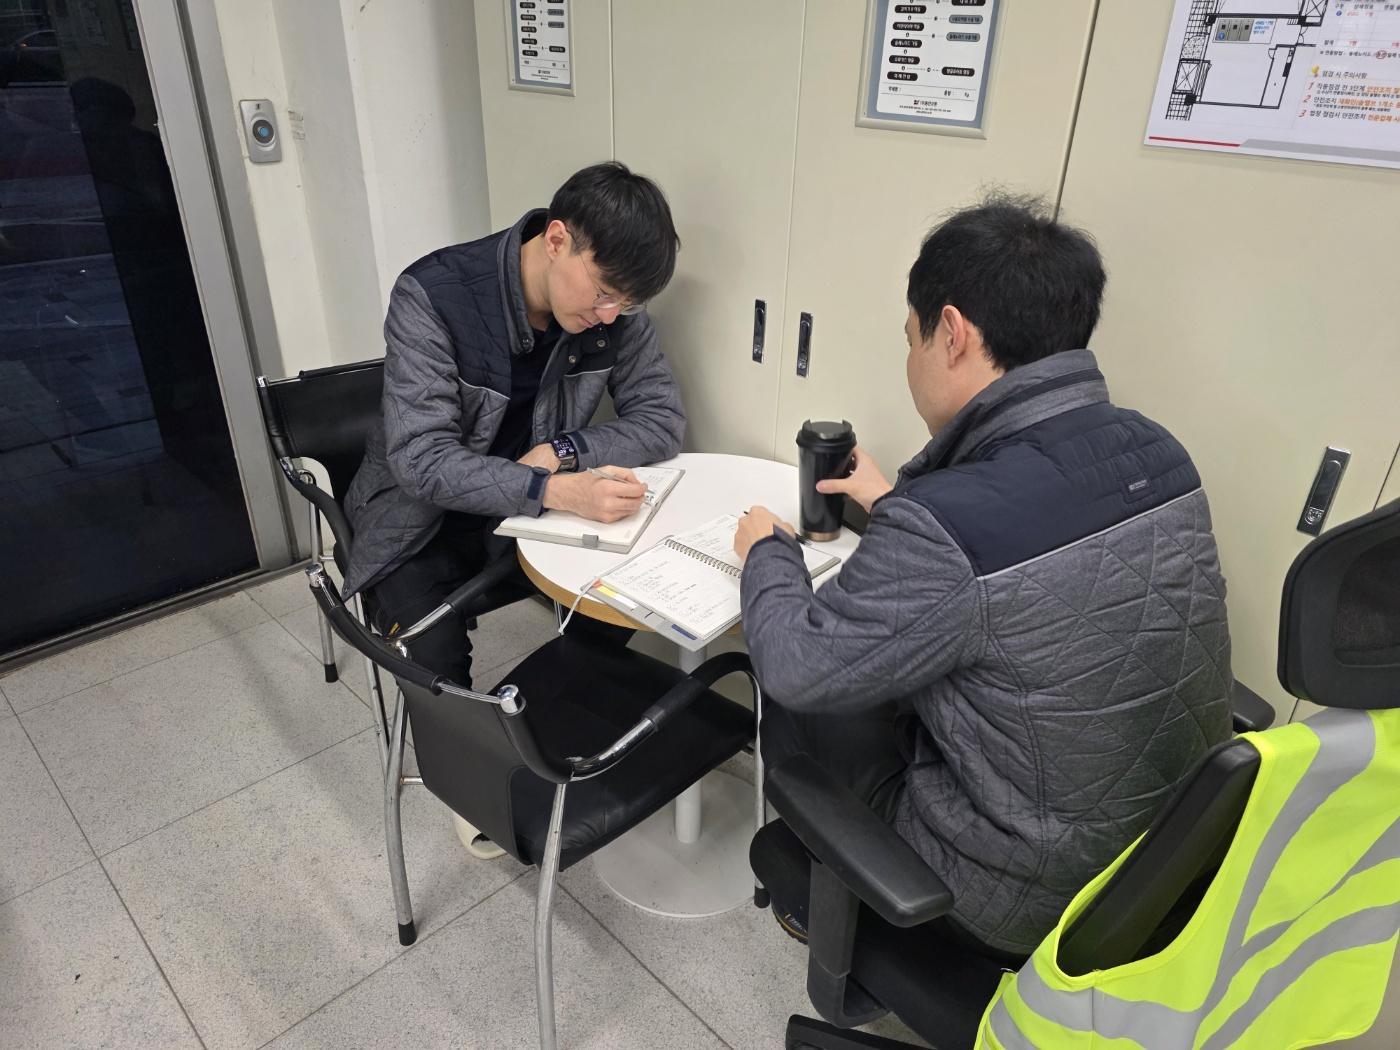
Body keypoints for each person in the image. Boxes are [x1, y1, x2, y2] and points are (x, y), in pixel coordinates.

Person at [735, 194, 1233, 959]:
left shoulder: (948, 520)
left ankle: (822, 897)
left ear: (953, 333)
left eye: (911, 339)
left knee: (796, 693)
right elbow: (1029, 577)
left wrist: (767, 551)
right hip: (1160, 865)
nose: (910, 361)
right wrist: (894, 504)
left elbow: (797, 664)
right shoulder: (1159, 453)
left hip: (1018, 899)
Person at [342, 162, 685, 687]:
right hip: (418, 523)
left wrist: (564, 452)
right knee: (436, 663)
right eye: (604, 292)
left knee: (629, 596)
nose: (611, 315)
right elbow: (421, 461)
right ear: (556, 240)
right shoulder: (433, 296)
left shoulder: (615, 312)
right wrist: (554, 490)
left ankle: (554, 718)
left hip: (522, 520)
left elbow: (661, 420)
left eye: (627, 302)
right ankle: (483, 740)